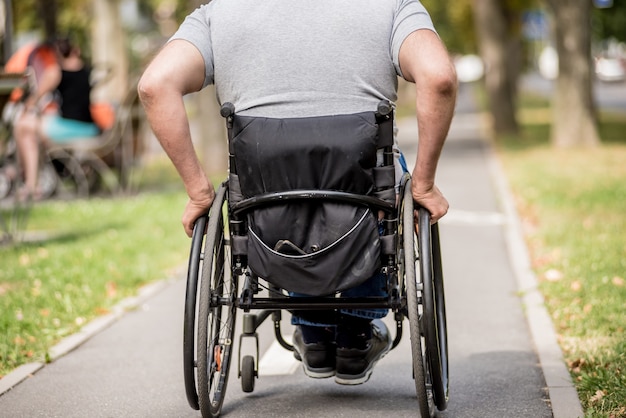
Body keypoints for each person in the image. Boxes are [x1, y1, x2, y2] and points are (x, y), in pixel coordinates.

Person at [138, 0, 457, 385]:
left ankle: (313, 330)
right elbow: (439, 77)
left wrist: (198, 191)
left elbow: (154, 86)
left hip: (266, 209)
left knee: (286, 187)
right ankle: (355, 333)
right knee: (386, 178)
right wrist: (422, 185)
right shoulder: (391, 6)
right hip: (363, 197)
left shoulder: (220, 14)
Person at [12, 38, 100, 199]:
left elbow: (36, 96)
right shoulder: (86, 70)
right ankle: (31, 181)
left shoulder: (55, 71)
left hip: (71, 127)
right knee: (29, 131)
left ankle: (27, 180)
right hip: (88, 125)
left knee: (23, 126)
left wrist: (28, 104)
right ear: (76, 51)